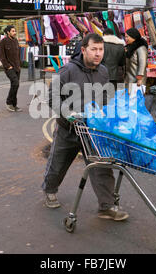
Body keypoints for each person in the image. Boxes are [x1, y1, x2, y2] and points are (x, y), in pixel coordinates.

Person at [43, 33, 129, 221]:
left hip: (92, 130)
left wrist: (110, 115)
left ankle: (106, 206)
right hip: (68, 128)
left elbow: (106, 97)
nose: (98, 54)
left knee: (101, 166)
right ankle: (49, 189)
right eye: (94, 49)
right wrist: (68, 114)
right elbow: (52, 97)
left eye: (101, 50)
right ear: (83, 50)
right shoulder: (67, 70)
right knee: (58, 164)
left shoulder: (103, 71)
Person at [0, 25, 22, 112]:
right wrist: (8, 66)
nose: (14, 32)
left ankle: (14, 105)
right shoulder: (3, 41)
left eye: (15, 31)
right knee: (15, 83)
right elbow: (1, 56)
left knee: (15, 85)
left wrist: (19, 65)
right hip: (9, 68)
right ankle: (9, 103)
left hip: (17, 67)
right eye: (13, 31)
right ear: (8, 32)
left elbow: (18, 54)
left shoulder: (15, 40)